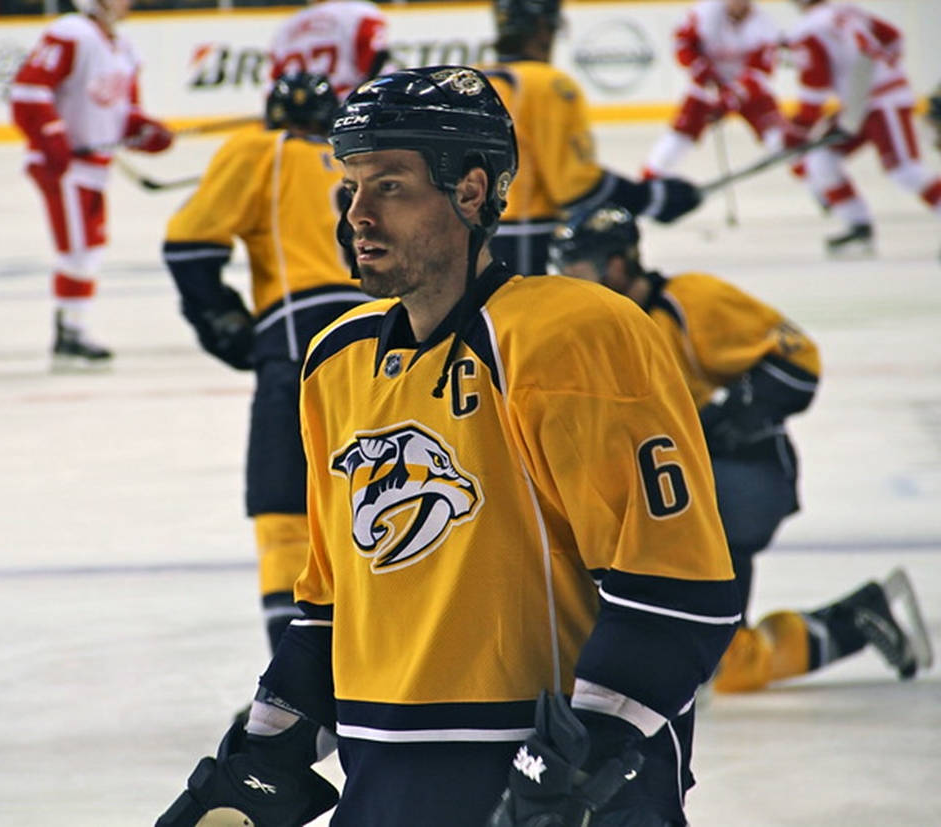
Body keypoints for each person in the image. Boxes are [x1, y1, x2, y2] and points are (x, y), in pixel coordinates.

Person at [157, 66, 742, 827]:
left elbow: (676, 591)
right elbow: (335, 608)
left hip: (543, 793)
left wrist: (579, 766)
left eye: (389, 186)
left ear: (471, 191)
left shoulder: (569, 335)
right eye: (350, 186)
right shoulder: (337, 361)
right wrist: (263, 754)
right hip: (384, 788)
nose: (357, 214)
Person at [547, 203, 934, 694]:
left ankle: (854, 621)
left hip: (739, 483)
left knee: (722, 666)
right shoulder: (593, 329)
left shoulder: (693, 301)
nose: (567, 280)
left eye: (577, 266)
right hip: (676, 492)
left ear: (618, 265)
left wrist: (720, 418)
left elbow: (798, 368)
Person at [163, 73, 368, 657]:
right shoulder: (367, 164)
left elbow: (188, 242)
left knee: (286, 513)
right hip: (390, 338)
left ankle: (295, 680)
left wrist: (226, 327)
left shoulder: (262, 149)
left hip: (300, 343)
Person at [478, 0, 703, 276]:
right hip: (523, 243)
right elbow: (576, 189)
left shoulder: (476, 79)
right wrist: (652, 198)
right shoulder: (548, 85)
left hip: (470, 239)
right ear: (543, 27)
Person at [9, 0, 173, 370]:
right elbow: (28, 92)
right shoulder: (71, 32)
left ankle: (72, 330)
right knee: (79, 250)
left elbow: (124, 113)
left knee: (90, 248)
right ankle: (70, 332)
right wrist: (51, 136)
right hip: (66, 166)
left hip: (94, 166)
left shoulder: (124, 48)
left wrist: (145, 131)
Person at [786, 0, 941, 255]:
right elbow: (894, 38)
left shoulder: (808, 28)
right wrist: (887, 71)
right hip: (860, 104)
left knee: (904, 169)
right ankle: (858, 230)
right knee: (821, 158)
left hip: (883, 101)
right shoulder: (846, 9)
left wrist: (797, 131)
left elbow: (814, 89)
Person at [642, 0, 785, 179]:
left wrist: (731, 97)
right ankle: (647, 181)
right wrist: (700, 69)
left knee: (778, 137)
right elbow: (682, 43)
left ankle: (814, 180)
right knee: (679, 136)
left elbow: (759, 73)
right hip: (707, 89)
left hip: (747, 92)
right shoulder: (704, 12)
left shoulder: (765, 25)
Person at [268, 0, 391, 100]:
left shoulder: (286, 26)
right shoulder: (363, 13)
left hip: (298, 113)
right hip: (346, 106)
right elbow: (377, 65)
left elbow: (275, 84)